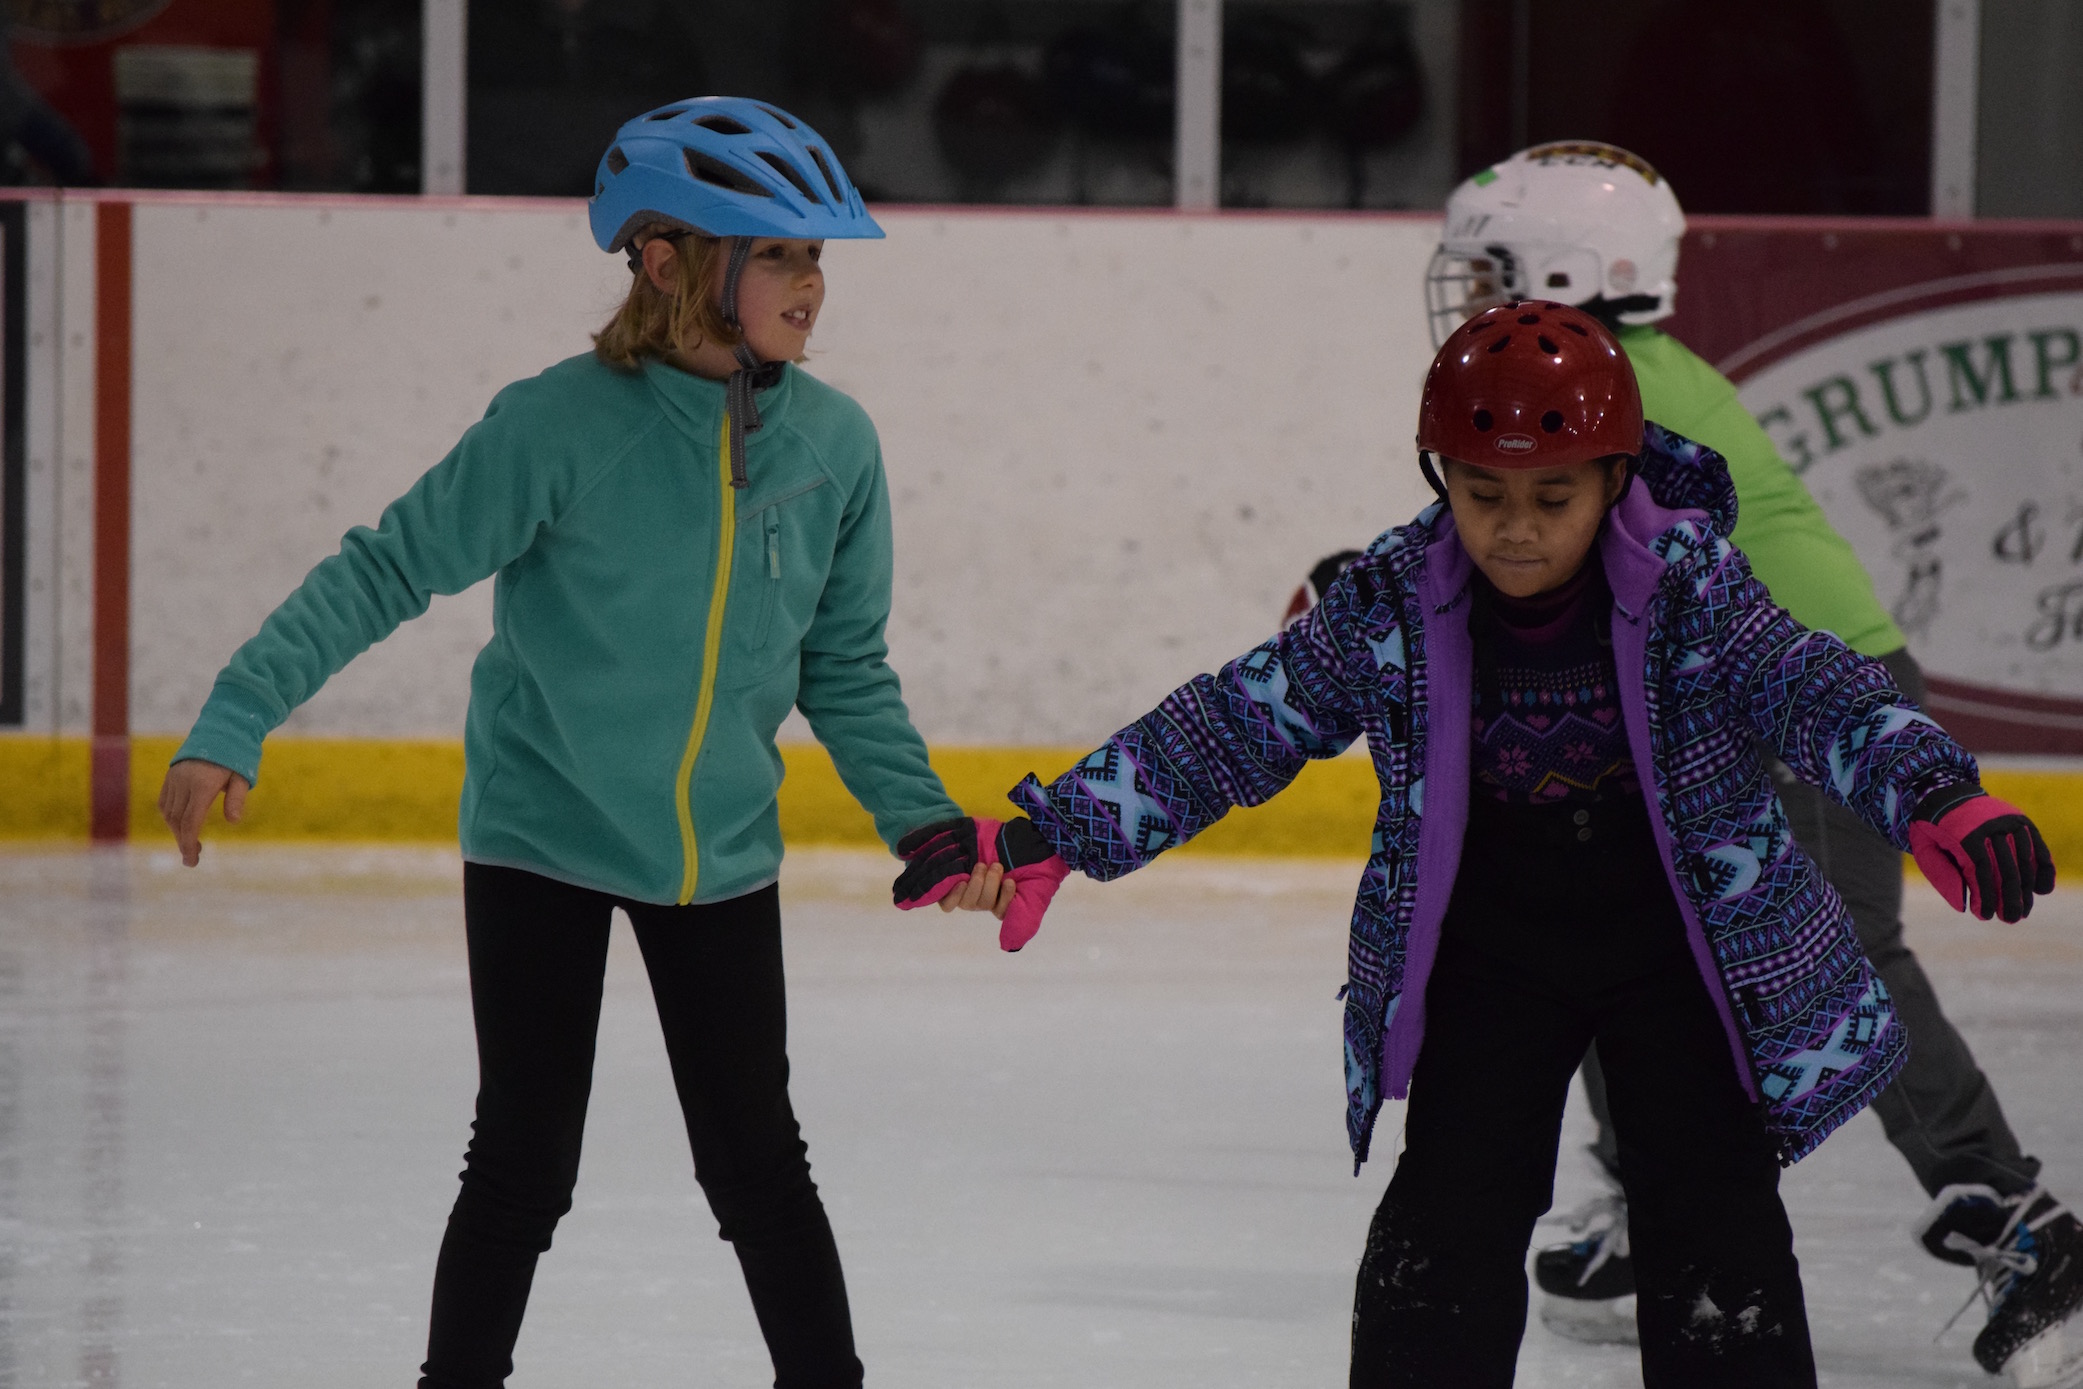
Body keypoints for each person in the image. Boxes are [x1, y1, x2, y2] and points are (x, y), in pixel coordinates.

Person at [900, 302, 2056, 1387]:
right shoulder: (1393, 598)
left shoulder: (1690, 586)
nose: (1513, 528)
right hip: (1493, 944)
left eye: (1552, 497)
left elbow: (1818, 690)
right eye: (1480, 492)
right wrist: (1052, 831)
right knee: (1442, 1236)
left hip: (1679, 943)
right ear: (1438, 479)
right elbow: (1234, 724)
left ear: (1614, 480)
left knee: (1716, 1235)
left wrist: (1938, 795)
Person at [155, 98, 1012, 1389]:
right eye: (776, 253)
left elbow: (841, 667)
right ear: (668, 261)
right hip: (540, 834)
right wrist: (235, 715)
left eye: (814, 256)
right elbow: (384, 569)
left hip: (718, 849)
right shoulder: (556, 423)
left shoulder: (833, 448)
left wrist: (922, 819)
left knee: (757, 1163)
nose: (811, 284)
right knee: (520, 1163)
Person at [1274, 142, 2083, 1385]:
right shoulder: (1602, 368)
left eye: (1491, 262)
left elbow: (1586, 549)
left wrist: (1359, 592)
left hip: (1807, 697)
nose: (1469, 287)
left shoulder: (1625, 389)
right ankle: (1647, 1196)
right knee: (1617, 911)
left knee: (1830, 951)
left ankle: (2013, 1219)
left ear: (1566, 267)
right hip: (1719, 703)